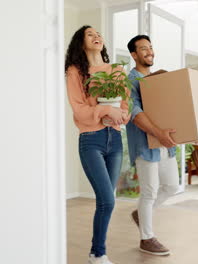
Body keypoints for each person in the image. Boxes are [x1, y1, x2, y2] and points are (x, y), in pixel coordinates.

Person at [65, 25, 130, 264]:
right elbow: (79, 110)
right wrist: (105, 110)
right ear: (80, 43)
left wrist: (122, 115)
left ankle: (96, 253)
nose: (97, 37)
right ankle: (98, 252)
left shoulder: (116, 71)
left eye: (99, 34)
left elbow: (125, 106)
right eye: (90, 34)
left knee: (106, 201)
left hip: (115, 140)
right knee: (108, 199)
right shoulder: (75, 72)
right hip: (91, 139)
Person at [126, 35, 179, 256]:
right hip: (145, 144)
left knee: (171, 187)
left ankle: (141, 213)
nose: (149, 52)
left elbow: (172, 110)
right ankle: (146, 239)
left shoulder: (158, 81)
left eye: (150, 47)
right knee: (149, 192)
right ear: (134, 55)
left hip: (165, 145)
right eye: (143, 49)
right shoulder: (129, 81)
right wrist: (158, 133)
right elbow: (135, 114)